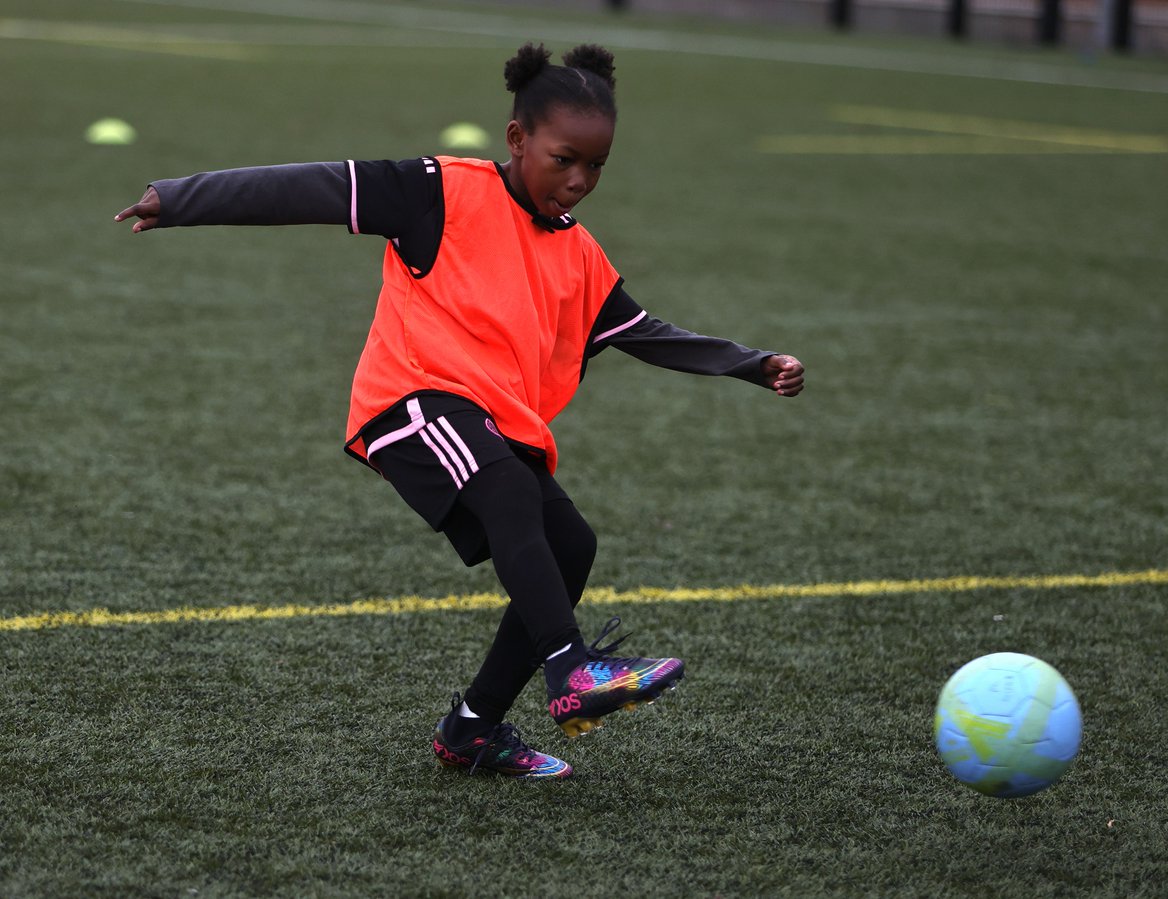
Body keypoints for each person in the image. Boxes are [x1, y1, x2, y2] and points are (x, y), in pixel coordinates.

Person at [115, 42, 804, 780]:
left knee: (570, 543)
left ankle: (472, 728)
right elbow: (309, 187)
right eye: (564, 159)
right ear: (516, 140)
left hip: (485, 419)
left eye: (596, 166)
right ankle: (572, 671)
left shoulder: (579, 253)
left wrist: (750, 364)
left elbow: (642, 332)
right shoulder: (435, 190)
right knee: (507, 487)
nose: (578, 182)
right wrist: (178, 198)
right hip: (407, 400)